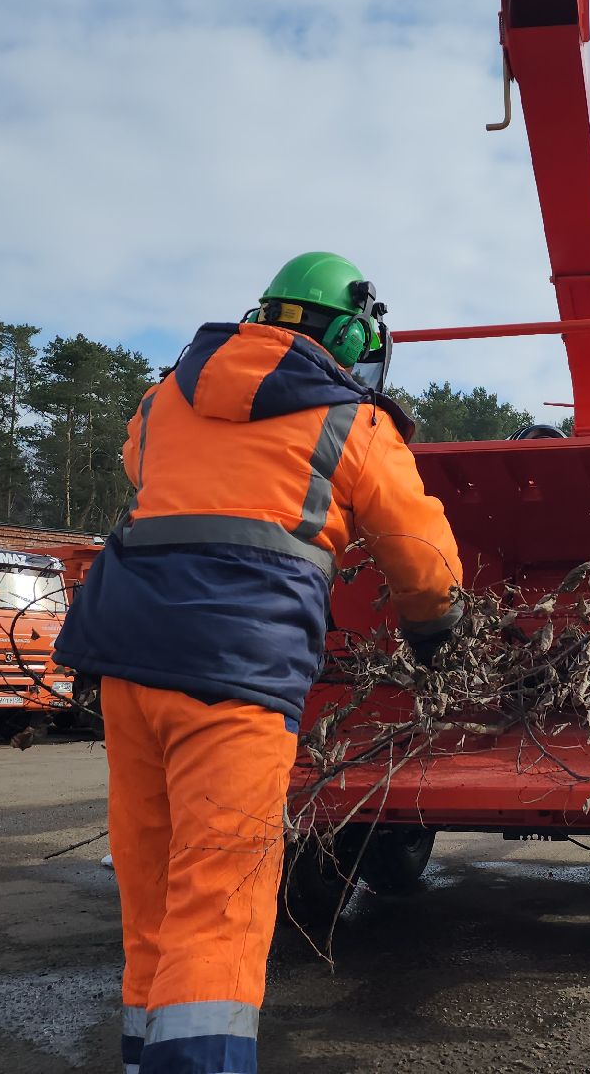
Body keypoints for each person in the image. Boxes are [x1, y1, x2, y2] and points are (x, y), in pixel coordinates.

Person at [55, 251, 462, 1074]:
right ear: (350, 331)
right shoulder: (355, 421)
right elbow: (423, 557)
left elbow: (145, 470)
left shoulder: (165, 396)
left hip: (126, 663)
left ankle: (147, 1061)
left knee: (156, 893)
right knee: (219, 903)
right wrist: (434, 633)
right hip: (236, 677)